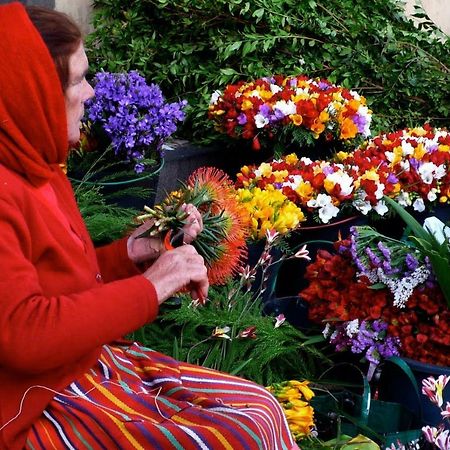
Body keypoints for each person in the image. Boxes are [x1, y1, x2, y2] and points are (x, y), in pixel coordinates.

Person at [0, 3, 298, 449]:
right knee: (239, 435)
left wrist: (130, 255)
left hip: (80, 368)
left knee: (262, 407)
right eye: (78, 79)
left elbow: (56, 284)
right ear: (34, 92)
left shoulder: (38, 165)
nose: (92, 93)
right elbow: (24, 335)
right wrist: (154, 286)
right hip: (36, 403)